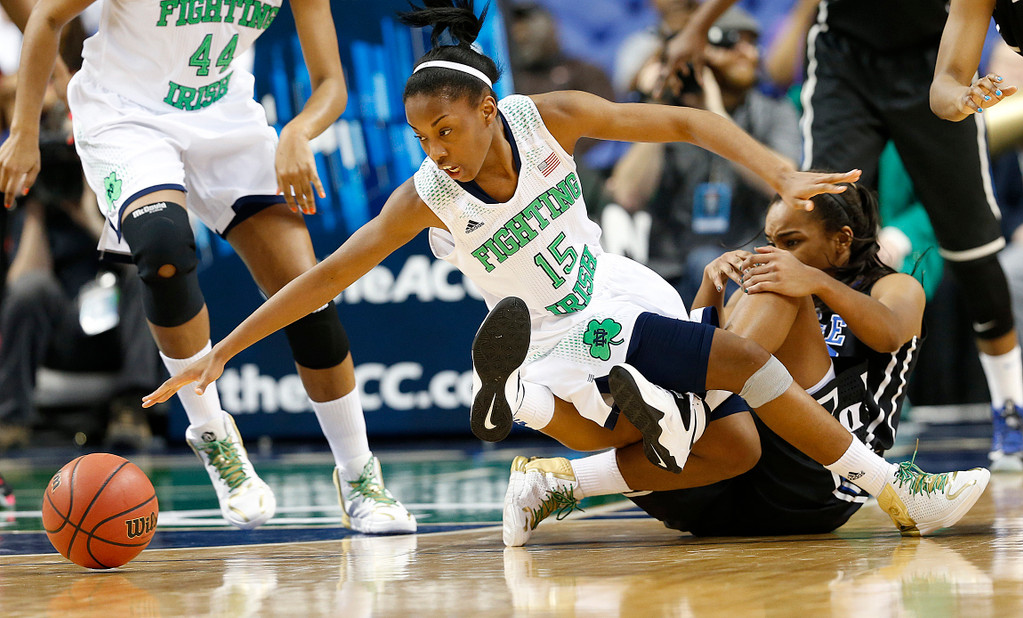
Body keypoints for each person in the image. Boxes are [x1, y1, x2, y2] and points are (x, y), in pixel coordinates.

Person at [140, 0, 989, 546]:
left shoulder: (547, 119)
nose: (436, 151)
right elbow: (325, 277)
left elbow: (686, 122)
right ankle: (892, 488)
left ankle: (548, 464)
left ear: (488, 110)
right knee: (708, 372)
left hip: (608, 292)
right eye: (421, 139)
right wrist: (223, 352)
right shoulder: (427, 196)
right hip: (548, 331)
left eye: (446, 132)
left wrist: (778, 172)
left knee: (726, 443)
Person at [0, 0, 415, 532]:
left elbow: (331, 83)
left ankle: (360, 479)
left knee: (307, 295)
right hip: (124, 113)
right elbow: (46, 16)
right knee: (164, 250)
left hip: (225, 116)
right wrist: (23, 132)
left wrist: (297, 132)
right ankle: (214, 438)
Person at [664, 0, 1023, 472]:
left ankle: (1011, 409)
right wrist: (698, 26)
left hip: (934, 53)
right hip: (845, 59)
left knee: (974, 254)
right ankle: (801, 404)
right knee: (817, 226)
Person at [505, 183, 931, 543]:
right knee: (708, 345)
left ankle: (671, 411)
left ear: (842, 240)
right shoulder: (770, 284)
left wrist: (813, 281)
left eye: (791, 243)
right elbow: (718, 351)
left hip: (824, 478)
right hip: (720, 486)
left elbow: (890, 333)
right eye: (771, 241)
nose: (776, 252)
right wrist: (713, 285)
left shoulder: (895, 286)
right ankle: (538, 428)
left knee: (774, 288)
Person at [606, 6, 800, 303]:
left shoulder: (774, 111)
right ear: (696, 51)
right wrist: (660, 107)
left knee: (708, 261)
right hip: (671, 273)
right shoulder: (669, 114)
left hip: (748, 271)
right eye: (732, 42)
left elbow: (783, 183)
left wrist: (716, 118)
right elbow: (628, 195)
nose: (748, 53)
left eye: (752, 43)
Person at [0, 112, 161, 452]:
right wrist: (36, 212)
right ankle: (12, 419)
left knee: (141, 276)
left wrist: (90, 214)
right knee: (31, 289)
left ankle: (130, 412)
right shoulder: (41, 211)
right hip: (62, 331)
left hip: (115, 333)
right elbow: (19, 283)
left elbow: (142, 265)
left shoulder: (118, 199)